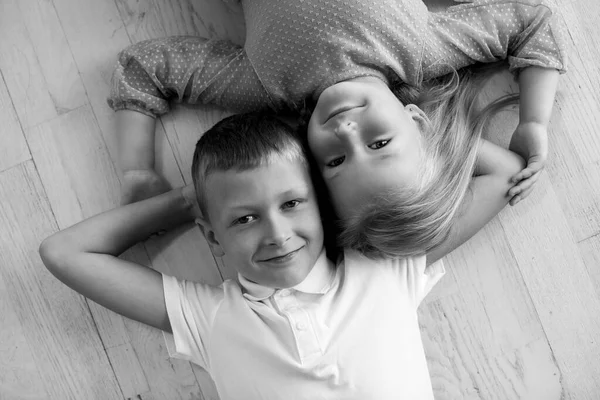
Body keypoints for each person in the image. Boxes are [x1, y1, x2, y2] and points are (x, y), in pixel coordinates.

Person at [40, 113, 524, 399]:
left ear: (320, 202)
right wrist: (189, 201)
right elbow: (63, 252)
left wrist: (401, 125)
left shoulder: (382, 266)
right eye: (243, 219)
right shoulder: (211, 318)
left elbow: (503, 175)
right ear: (212, 236)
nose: (275, 233)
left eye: (292, 204)